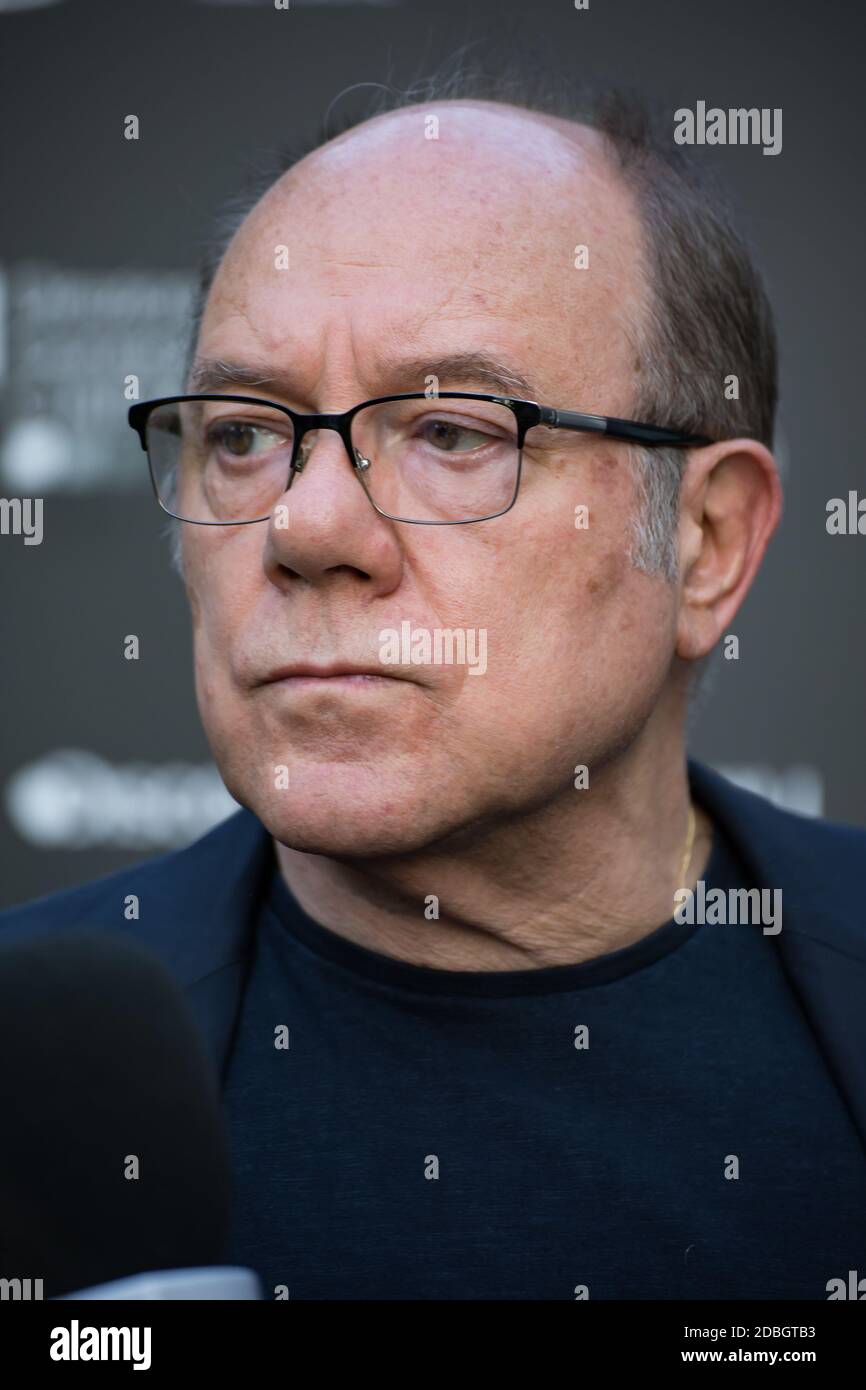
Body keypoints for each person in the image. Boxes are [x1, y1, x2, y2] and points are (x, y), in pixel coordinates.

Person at [3, 72, 865, 1301]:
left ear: (706, 541)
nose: (304, 527)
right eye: (244, 432)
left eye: (455, 430)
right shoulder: (28, 1082)